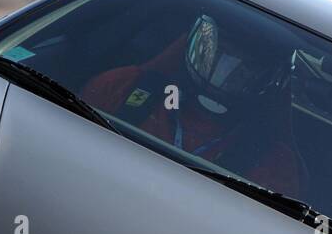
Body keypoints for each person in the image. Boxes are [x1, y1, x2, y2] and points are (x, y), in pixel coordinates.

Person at [81, 13, 305, 192]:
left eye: (244, 69)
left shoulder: (272, 162)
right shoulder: (125, 85)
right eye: (215, 55)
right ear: (191, 43)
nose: (223, 73)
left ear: (269, 81)